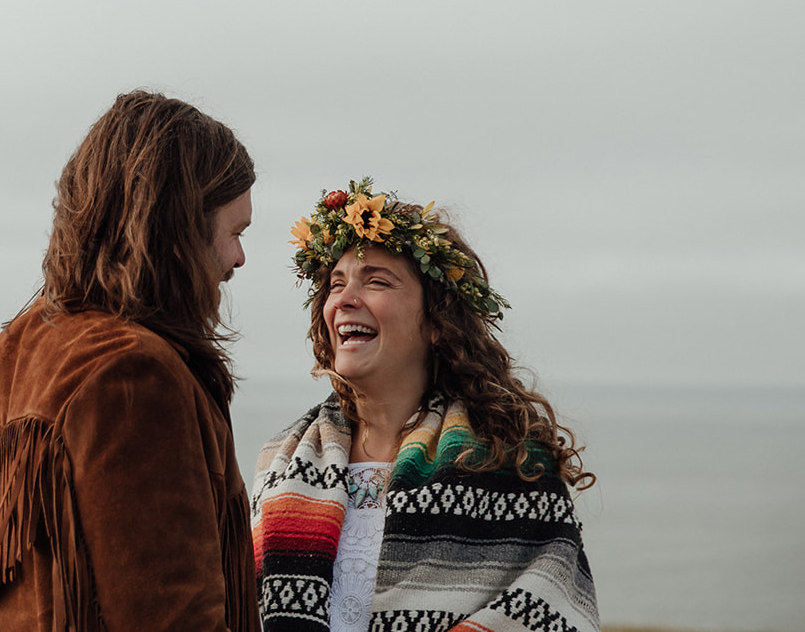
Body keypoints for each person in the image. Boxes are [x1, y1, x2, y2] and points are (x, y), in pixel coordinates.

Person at [0, 91, 261, 631]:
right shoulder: (134, 374)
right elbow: (171, 615)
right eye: (234, 232)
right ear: (178, 228)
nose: (239, 258)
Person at [251, 177, 598, 632]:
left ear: (437, 322)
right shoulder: (280, 462)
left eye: (376, 281)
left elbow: (555, 610)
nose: (345, 300)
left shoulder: (506, 461)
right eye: (335, 285)